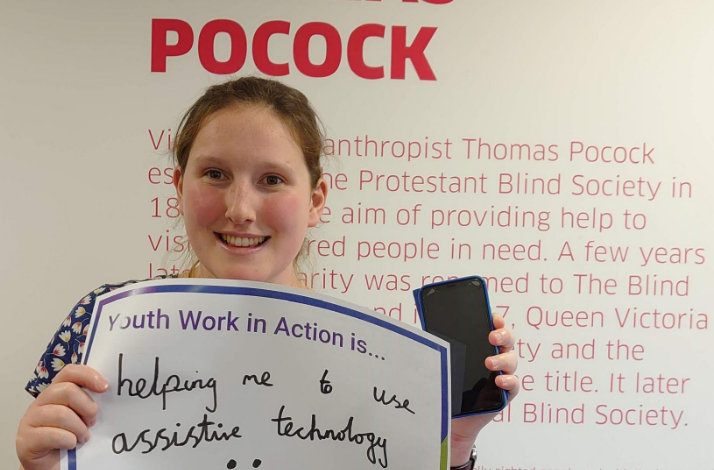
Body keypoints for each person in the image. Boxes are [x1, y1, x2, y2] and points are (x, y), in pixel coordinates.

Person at [15, 77, 520, 470]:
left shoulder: (377, 357)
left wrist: (455, 445)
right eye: (214, 174)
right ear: (179, 185)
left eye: (272, 180)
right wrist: (41, 466)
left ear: (316, 200)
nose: (239, 208)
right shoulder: (100, 325)